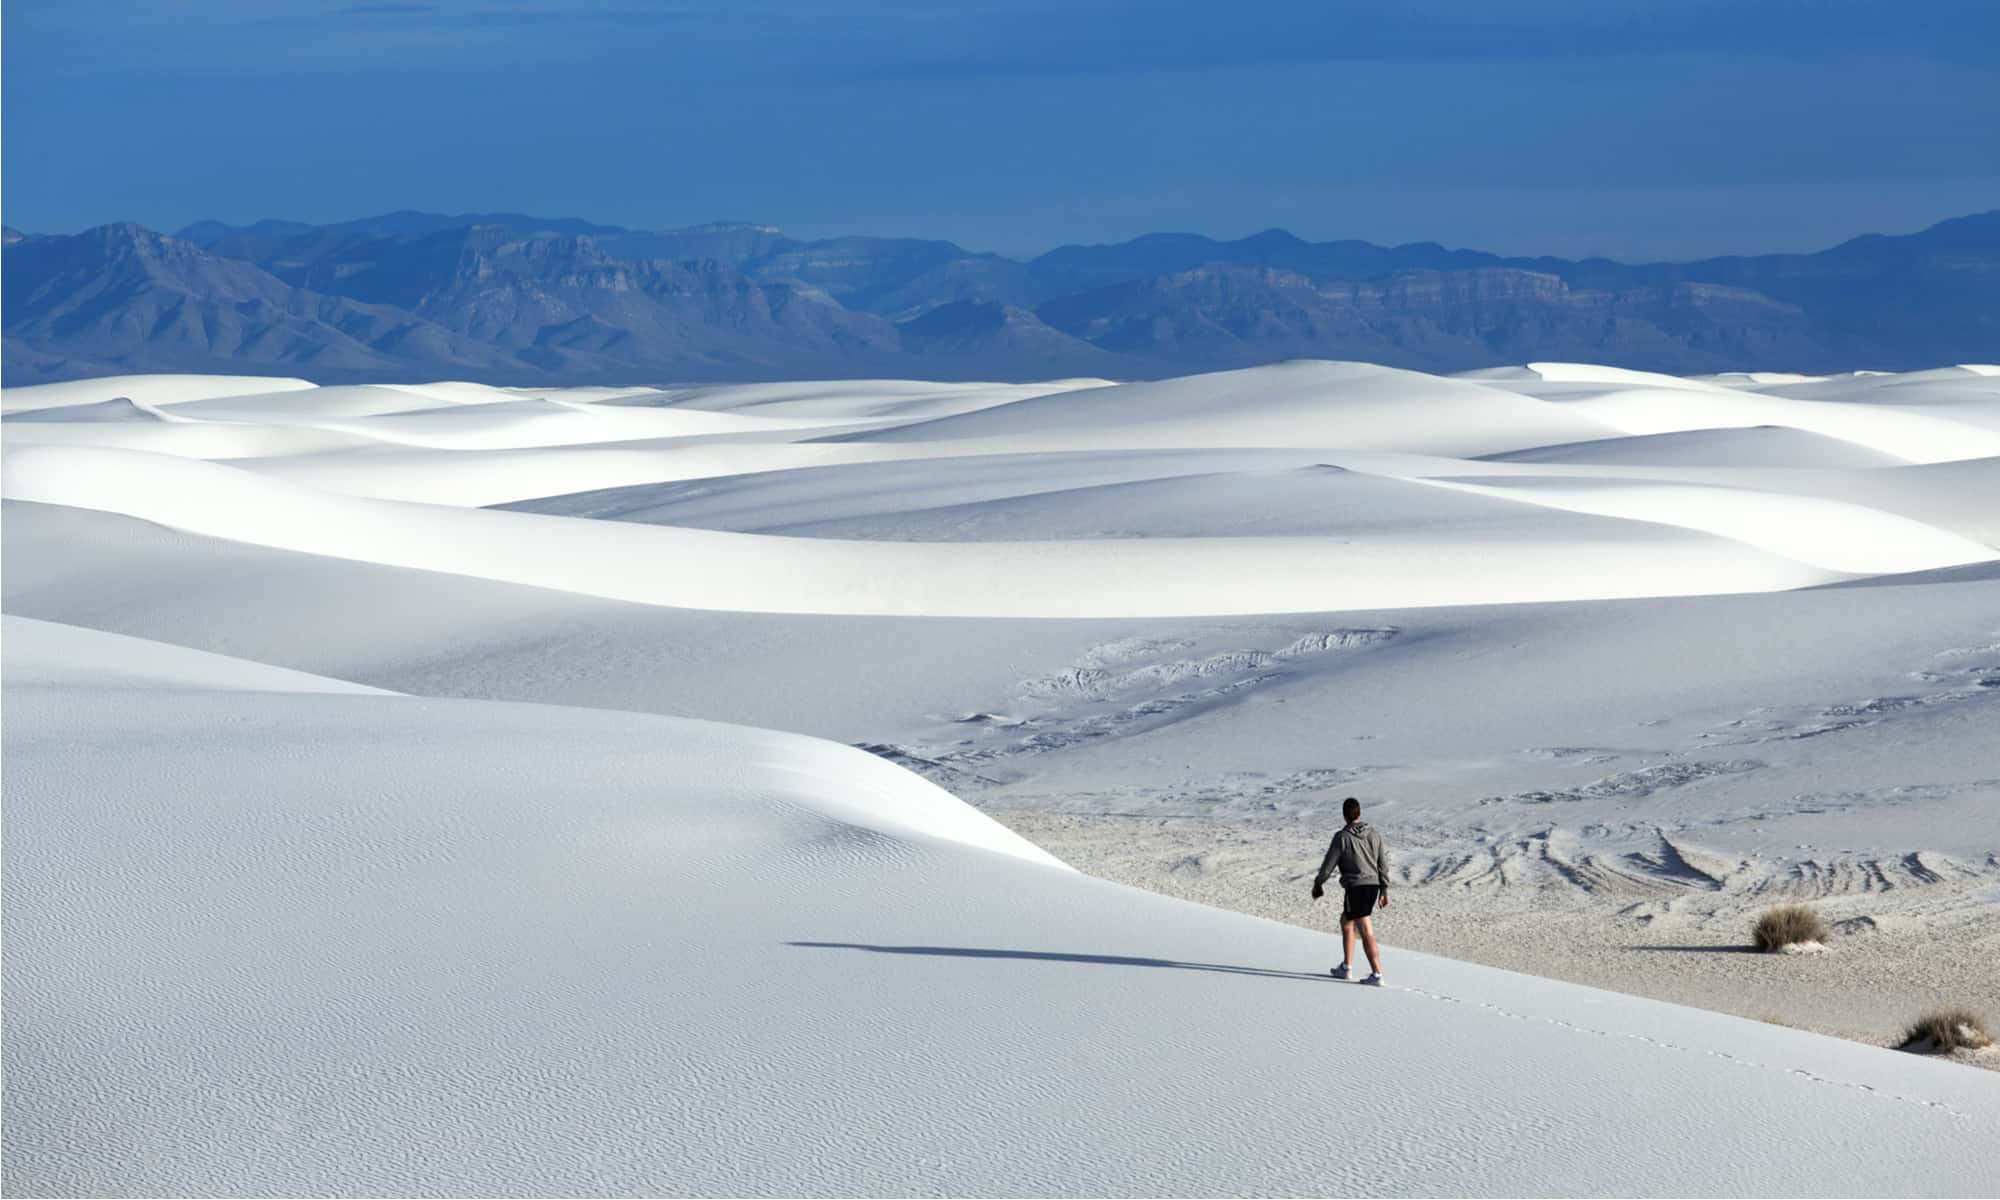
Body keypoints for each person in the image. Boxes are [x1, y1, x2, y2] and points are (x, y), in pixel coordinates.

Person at [1311, 796, 1389, 985]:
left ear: (1344, 815)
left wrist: (1318, 883)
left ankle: (1377, 974)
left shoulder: (1342, 837)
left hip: (1357, 887)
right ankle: (1346, 967)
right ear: (1359, 812)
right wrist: (1384, 889)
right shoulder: (1374, 834)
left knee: (1365, 929)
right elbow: (1382, 863)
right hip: (1373, 886)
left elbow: (1328, 865)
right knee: (1346, 920)